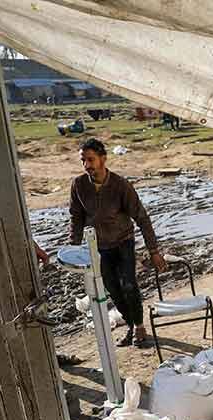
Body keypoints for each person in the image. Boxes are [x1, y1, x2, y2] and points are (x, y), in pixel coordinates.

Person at [69, 138, 165, 347]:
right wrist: (74, 248)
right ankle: (130, 325)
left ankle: (139, 326)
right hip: (98, 248)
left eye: (91, 160)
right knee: (113, 290)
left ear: (103, 159)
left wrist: (154, 250)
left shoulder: (121, 185)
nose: (86, 165)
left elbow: (141, 217)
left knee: (129, 286)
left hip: (123, 242)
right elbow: (76, 217)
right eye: (83, 160)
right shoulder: (78, 185)